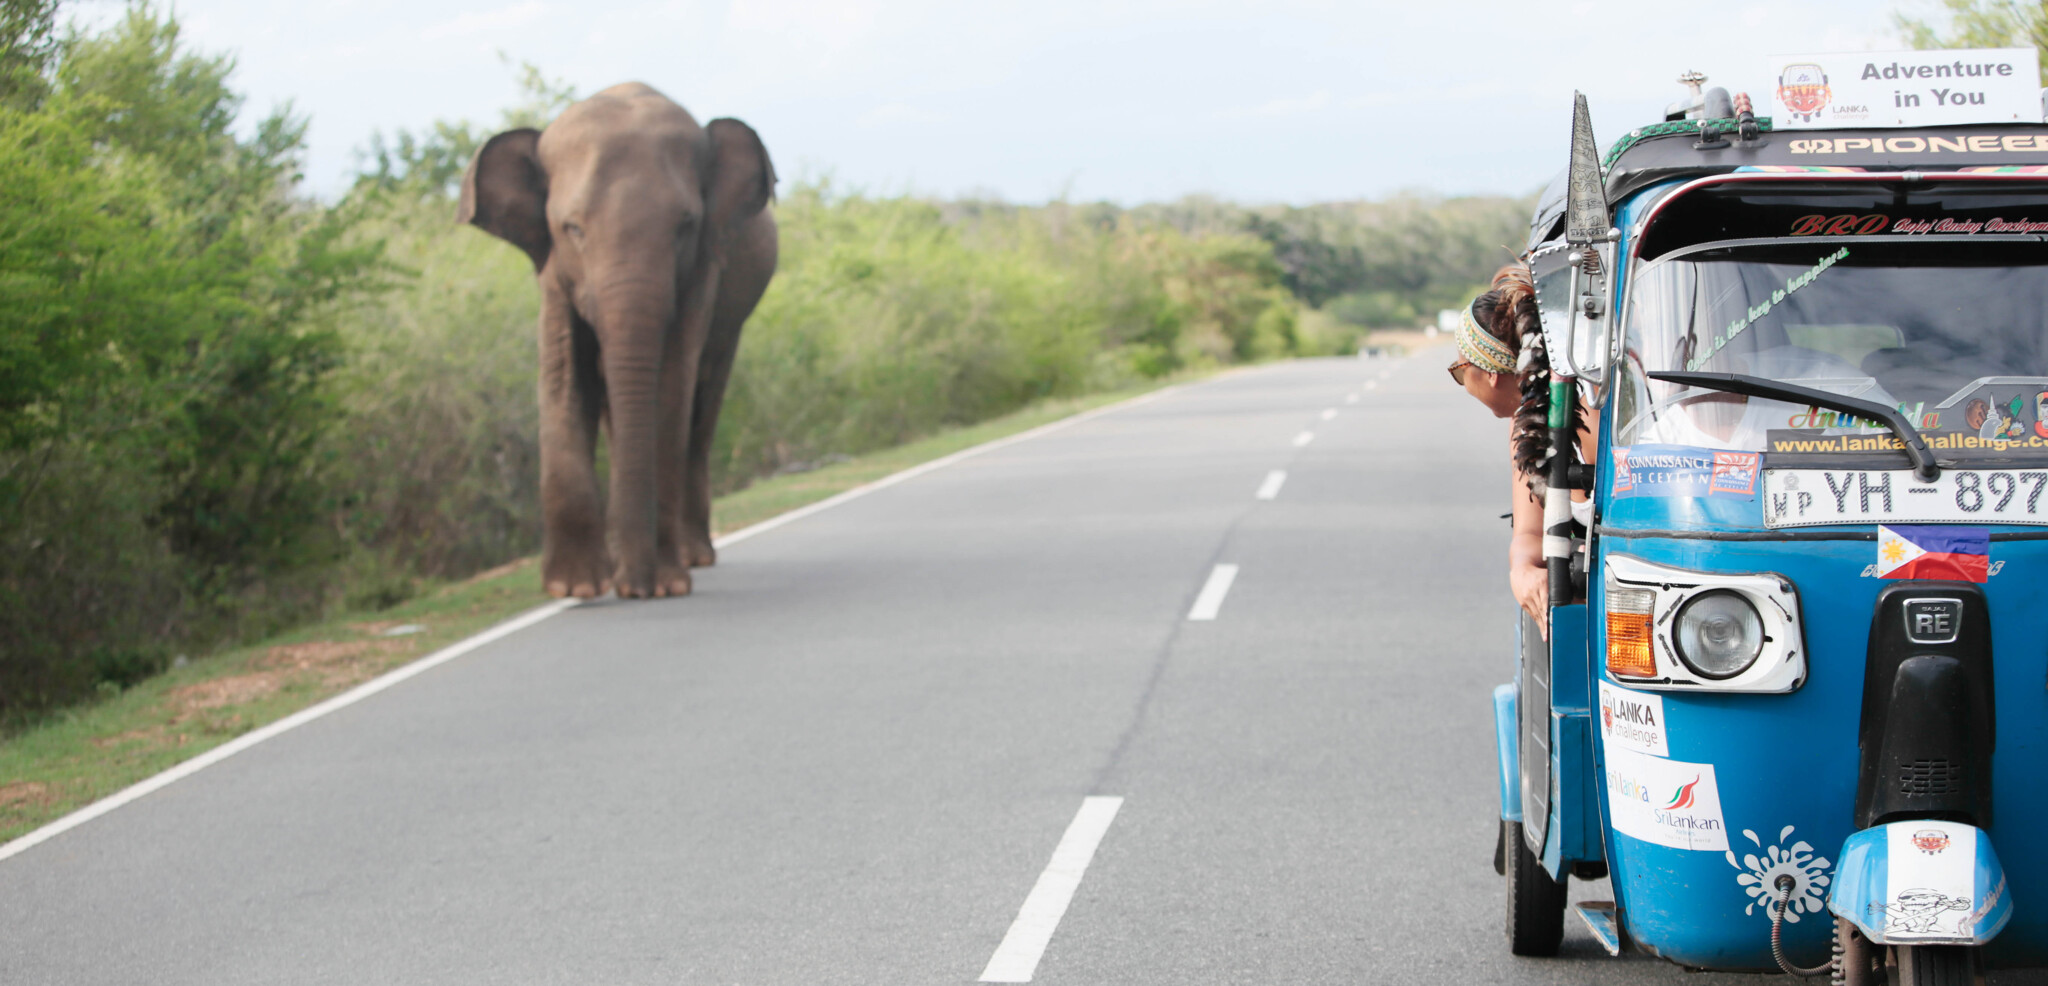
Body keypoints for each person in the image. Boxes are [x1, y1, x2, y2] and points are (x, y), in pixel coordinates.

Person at [1450, 266, 1594, 635]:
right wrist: (1523, 571)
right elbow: (1528, 535)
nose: (1461, 382)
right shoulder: (1526, 427)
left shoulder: (1595, 411)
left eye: (1459, 371)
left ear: (1491, 374)